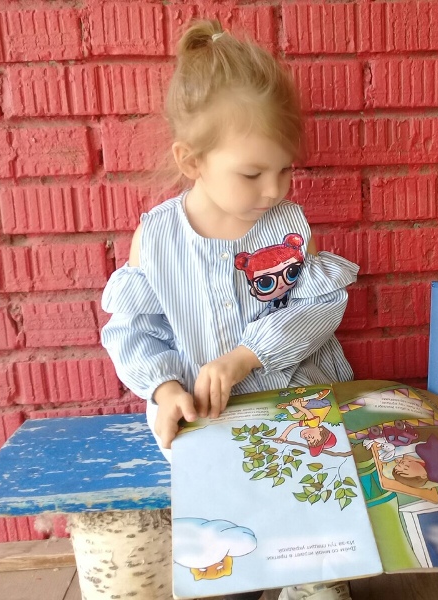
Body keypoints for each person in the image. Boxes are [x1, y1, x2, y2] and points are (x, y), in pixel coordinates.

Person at [100, 19, 356, 600]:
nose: (274, 189)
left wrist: (247, 355)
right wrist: (165, 388)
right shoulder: (158, 239)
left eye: (285, 169)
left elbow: (319, 309)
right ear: (191, 161)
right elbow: (135, 331)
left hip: (295, 414)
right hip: (207, 423)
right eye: (252, 173)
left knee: (312, 553)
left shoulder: (288, 227)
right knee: (228, 557)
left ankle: (313, 579)